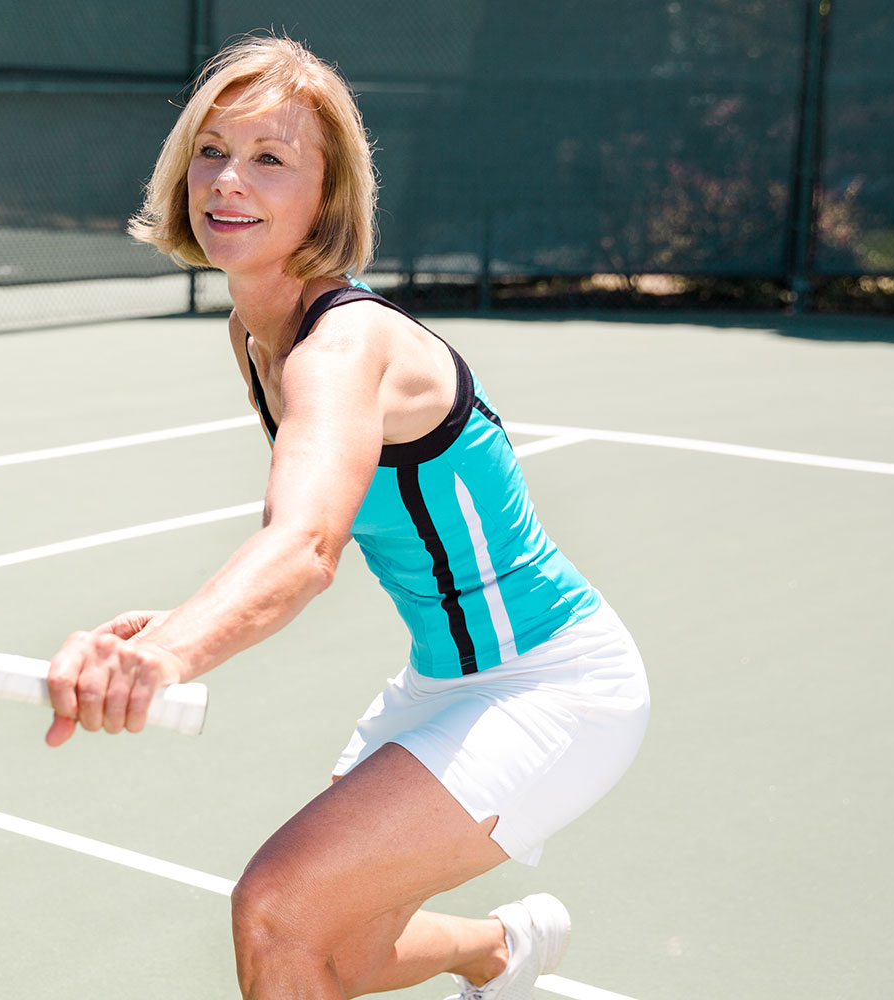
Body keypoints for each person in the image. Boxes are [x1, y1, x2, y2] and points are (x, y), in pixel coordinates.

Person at [42, 36, 651, 1000]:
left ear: (325, 200)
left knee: (277, 911)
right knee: (339, 953)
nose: (228, 181)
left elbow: (306, 548)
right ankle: (500, 950)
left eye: (270, 159)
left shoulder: (338, 347)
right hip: (441, 681)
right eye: (211, 150)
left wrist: (163, 659)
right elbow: (299, 510)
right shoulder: (254, 331)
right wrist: (176, 627)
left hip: (553, 686)